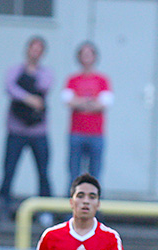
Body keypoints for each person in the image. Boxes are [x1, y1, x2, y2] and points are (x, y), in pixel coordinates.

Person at [0, 36, 54, 216]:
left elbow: (43, 86)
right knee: (9, 170)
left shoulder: (46, 73)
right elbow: (10, 87)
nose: (35, 53)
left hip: (38, 131)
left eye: (39, 50)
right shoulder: (14, 70)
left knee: (43, 172)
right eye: (33, 48)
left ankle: (45, 210)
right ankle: (3, 206)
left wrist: (25, 90)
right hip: (16, 130)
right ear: (27, 49)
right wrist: (29, 98)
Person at [62, 41, 113, 185]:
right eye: (84, 54)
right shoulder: (72, 80)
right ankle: (72, 204)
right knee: (73, 173)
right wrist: (91, 103)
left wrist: (80, 102)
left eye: (89, 54)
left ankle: (94, 205)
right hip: (76, 132)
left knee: (95, 174)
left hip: (96, 134)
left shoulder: (102, 80)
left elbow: (104, 104)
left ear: (95, 57)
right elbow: (68, 101)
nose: (87, 58)